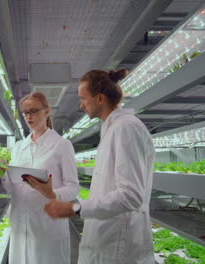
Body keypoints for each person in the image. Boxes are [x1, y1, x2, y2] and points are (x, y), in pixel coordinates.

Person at [44, 69, 155, 264]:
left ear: (100, 98)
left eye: (84, 99)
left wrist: (76, 208)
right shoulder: (111, 128)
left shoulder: (126, 128)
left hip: (119, 247)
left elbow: (131, 196)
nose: (81, 105)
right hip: (106, 240)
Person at [1, 92, 79, 264]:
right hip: (20, 223)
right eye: (25, 112)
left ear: (47, 111)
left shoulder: (61, 145)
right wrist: (3, 174)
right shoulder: (19, 147)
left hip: (48, 224)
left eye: (34, 111)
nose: (29, 116)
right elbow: (12, 189)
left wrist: (52, 194)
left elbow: (73, 187)